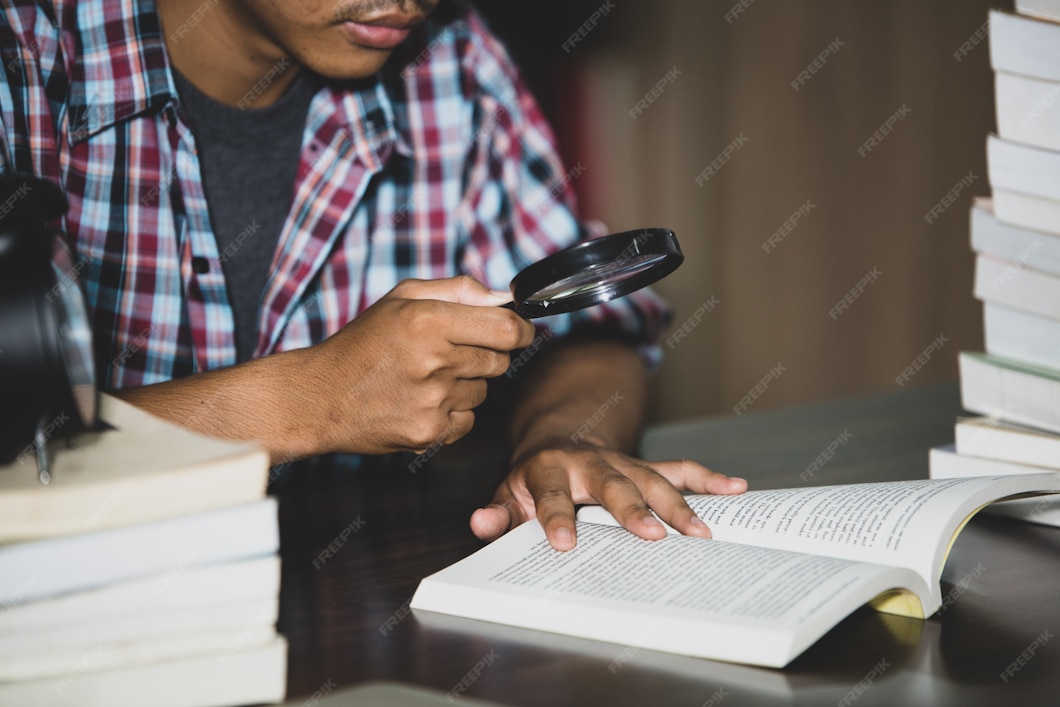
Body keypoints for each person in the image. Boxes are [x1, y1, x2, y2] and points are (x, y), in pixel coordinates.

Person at [0, 0, 746, 551]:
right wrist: (311, 398)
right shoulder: (21, 64)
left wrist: (555, 440)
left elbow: (592, 329)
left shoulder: (452, 62)